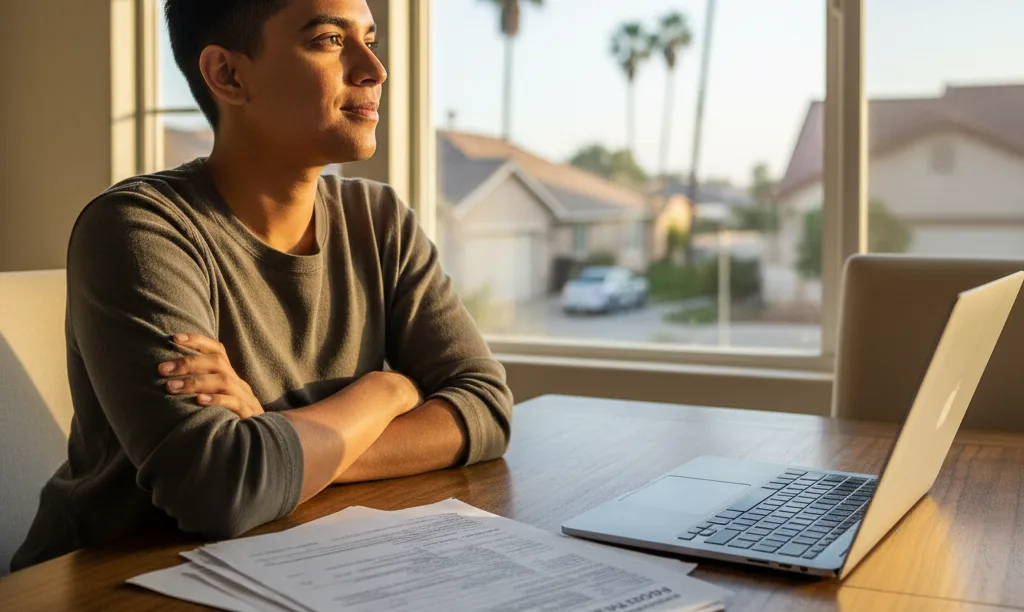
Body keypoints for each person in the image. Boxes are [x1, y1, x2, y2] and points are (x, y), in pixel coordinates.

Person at [11, 0, 512, 571]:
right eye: (328, 40)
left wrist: (282, 447)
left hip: (295, 558)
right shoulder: (137, 229)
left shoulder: (379, 220)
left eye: (370, 38)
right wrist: (388, 392)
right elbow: (219, 488)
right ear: (228, 74)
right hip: (114, 579)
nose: (374, 67)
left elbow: (485, 407)